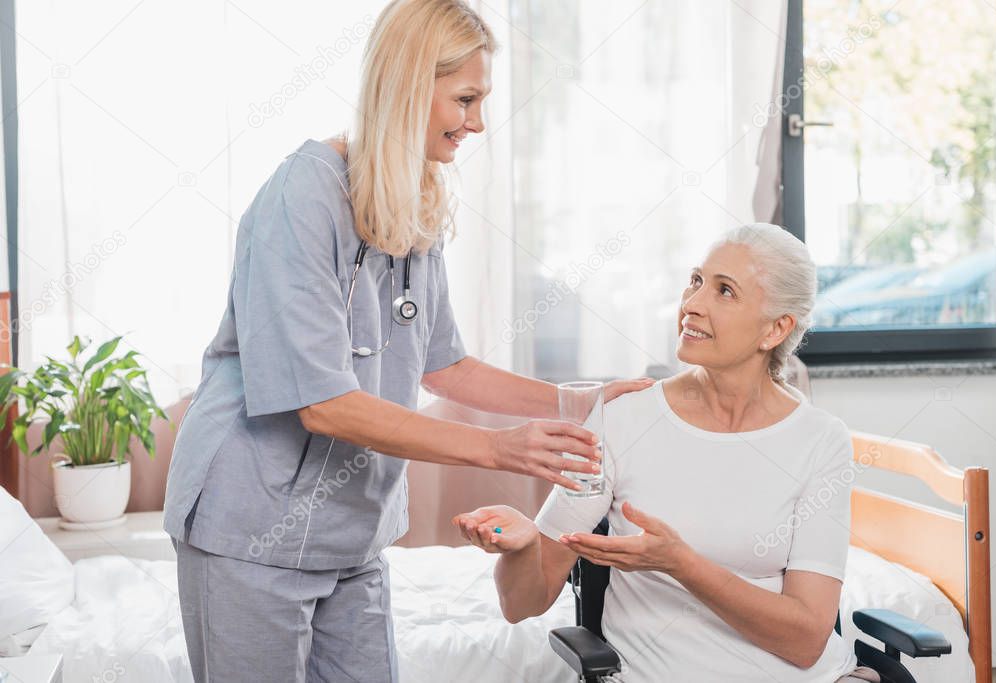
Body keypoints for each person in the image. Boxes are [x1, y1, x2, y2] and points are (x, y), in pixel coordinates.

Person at [163, 2, 649, 681]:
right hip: (252, 527)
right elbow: (321, 403)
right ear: (408, 82)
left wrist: (582, 402)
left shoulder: (410, 197)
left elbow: (445, 364)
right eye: (466, 98)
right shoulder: (302, 196)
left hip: (350, 535)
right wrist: (495, 446)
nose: (477, 121)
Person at [454, 224, 882, 683]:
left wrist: (682, 563)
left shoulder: (820, 440)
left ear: (775, 329)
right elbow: (522, 604)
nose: (692, 304)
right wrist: (520, 551)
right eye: (696, 281)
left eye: (724, 291)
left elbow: (806, 640)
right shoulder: (624, 419)